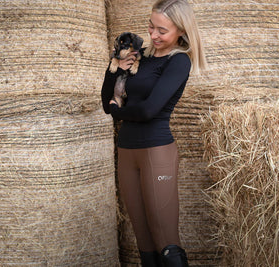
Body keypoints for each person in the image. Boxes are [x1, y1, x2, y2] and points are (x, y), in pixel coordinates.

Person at [101, 0, 207, 266]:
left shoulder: (178, 61)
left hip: (156, 151)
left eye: (162, 30)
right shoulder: (140, 57)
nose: (153, 35)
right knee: (144, 244)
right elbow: (106, 103)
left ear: (181, 31)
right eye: (151, 26)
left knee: (165, 242)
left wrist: (118, 112)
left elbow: (148, 110)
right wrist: (114, 66)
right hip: (127, 152)